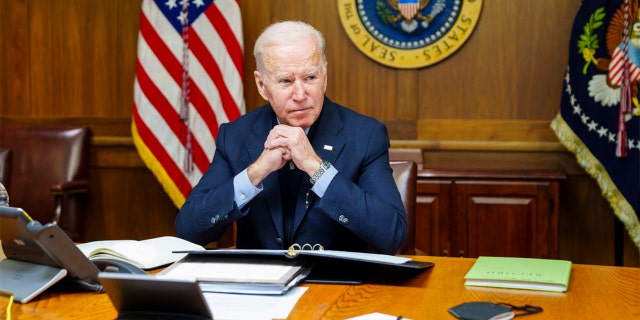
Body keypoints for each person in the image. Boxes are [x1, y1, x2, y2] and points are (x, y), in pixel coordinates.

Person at [175, 21, 407, 255]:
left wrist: (316, 168)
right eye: (286, 81)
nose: (300, 94)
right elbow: (188, 231)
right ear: (262, 85)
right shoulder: (235, 135)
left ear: (324, 76)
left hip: (337, 284)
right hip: (261, 286)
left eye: (310, 78)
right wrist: (256, 171)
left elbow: (391, 234)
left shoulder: (365, 135)